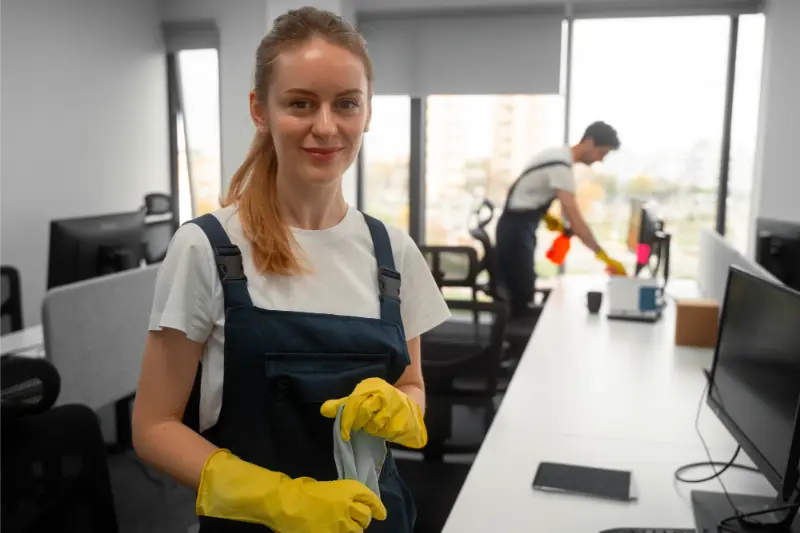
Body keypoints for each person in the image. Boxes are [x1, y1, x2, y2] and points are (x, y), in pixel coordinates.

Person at [131, 7, 450, 533]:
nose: (325, 127)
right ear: (260, 109)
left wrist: (402, 407)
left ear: (367, 112)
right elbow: (153, 427)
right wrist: (278, 499)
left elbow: (413, 386)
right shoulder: (206, 248)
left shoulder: (393, 252)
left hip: (375, 520)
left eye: (346, 104)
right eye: (300, 103)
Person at [495, 121, 628, 317]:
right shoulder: (560, 166)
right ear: (589, 142)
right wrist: (603, 256)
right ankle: (516, 345)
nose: (600, 160)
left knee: (519, 289)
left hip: (515, 226)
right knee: (521, 293)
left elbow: (527, 193)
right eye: (602, 153)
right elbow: (575, 217)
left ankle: (513, 340)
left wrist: (552, 220)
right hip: (516, 231)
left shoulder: (555, 156)